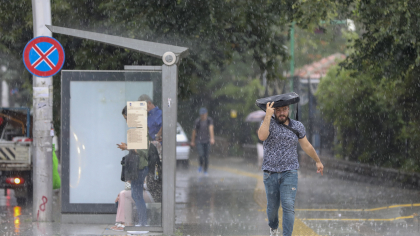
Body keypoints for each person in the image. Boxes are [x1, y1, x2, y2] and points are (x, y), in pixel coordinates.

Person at [258, 102, 324, 236]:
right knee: (272, 209)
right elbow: (262, 136)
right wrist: (267, 116)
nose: (281, 113)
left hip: (290, 172)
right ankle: (274, 228)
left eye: (284, 110)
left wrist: (317, 161)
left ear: (289, 110)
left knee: (288, 206)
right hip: (270, 172)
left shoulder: (297, 126)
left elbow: (306, 146)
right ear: (274, 111)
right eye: (278, 110)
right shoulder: (267, 123)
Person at [117, 106, 149, 227]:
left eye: (127, 118)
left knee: (137, 195)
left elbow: (143, 152)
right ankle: (142, 222)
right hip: (138, 167)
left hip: (140, 168)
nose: (126, 121)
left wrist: (128, 147)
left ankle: (143, 223)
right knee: (136, 195)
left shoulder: (141, 130)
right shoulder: (139, 129)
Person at [190, 107, 215, 175]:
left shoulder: (209, 120)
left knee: (206, 156)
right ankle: (201, 165)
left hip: (207, 141)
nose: (203, 116)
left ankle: (205, 170)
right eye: (202, 114)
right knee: (201, 155)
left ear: (206, 114)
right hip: (199, 141)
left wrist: (212, 138)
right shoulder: (197, 121)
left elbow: (211, 128)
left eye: (204, 114)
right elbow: (194, 131)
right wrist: (192, 141)